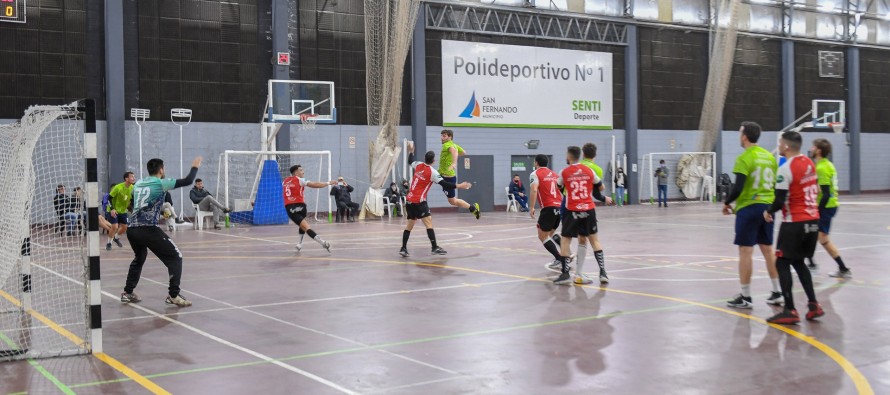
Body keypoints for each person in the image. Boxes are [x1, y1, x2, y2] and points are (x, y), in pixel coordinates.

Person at [121, 157, 202, 307]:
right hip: (148, 229)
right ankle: (173, 295)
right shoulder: (160, 183)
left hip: (132, 228)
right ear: (161, 170)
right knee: (176, 257)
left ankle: (127, 292)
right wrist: (195, 167)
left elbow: (131, 205)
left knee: (139, 257)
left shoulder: (138, 183)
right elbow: (188, 181)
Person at [763, 131, 825, 324]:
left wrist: (769, 211)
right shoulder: (809, 163)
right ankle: (813, 305)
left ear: (787, 146)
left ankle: (790, 309)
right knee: (798, 262)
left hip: (795, 222)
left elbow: (780, 199)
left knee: (781, 262)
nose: (779, 146)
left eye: (780, 143)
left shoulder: (786, 168)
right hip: (813, 221)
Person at [723, 121, 783, 308]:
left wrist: (726, 202)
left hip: (749, 208)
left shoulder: (744, 158)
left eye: (740, 133)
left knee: (745, 251)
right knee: (767, 251)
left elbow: (738, 187)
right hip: (767, 208)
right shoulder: (769, 157)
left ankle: (746, 297)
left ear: (745, 136)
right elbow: (775, 184)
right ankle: (777, 291)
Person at [400, 142, 472, 257]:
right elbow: (446, 184)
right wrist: (460, 186)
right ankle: (434, 247)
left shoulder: (418, 165)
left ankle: (403, 248)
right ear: (434, 161)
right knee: (428, 223)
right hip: (419, 201)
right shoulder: (433, 172)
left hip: (409, 200)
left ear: (424, 158)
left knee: (410, 224)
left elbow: (410, 161)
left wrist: (411, 151)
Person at [554, 146, 612, 285]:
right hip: (588, 209)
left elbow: (559, 186)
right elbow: (601, 187)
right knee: (593, 240)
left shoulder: (565, 172)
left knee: (565, 240)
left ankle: (565, 274)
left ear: (569, 156)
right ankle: (603, 273)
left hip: (572, 208)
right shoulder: (589, 170)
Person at [808, 138, 851, 278]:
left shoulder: (822, 168)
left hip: (826, 207)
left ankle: (842, 268)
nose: (811, 149)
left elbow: (825, 194)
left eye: (813, 147)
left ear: (818, 150)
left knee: (821, 238)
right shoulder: (826, 164)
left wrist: (817, 211)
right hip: (829, 206)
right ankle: (812, 263)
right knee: (813, 235)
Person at [528, 154, 573, 271]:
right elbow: (562, 189)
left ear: (536, 163)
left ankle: (560, 259)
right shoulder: (555, 174)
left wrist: (532, 207)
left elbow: (534, 189)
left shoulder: (535, 174)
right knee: (551, 234)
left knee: (542, 236)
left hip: (548, 207)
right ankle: (568, 252)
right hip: (560, 207)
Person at [284, 165, 337, 252]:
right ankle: (300, 243)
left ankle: (322, 242)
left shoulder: (285, 181)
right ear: (296, 173)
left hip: (291, 208)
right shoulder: (300, 180)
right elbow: (315, 184)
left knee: (305, 226)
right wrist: (328, 183)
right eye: (301, 170)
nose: (303, 172)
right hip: (302, 207)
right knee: (303, 224)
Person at [438, 129, 481, 219]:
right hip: (443, 174)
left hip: (447, 177)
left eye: (444, 136)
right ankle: (473, 208)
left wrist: (454, 162)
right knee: (452, 201)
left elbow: (453, 151)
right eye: (441, 135)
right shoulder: (455, 145)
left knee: (453, 201)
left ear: (450, 137)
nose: (442, 138)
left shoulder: (448, 145)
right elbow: (463, 152)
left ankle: (473, 208)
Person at [107, 172, 136, 250]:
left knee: (124, 227)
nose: (133, 178)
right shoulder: (118, 187)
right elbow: (109, 198)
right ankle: (109, 243)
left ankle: (116, 238)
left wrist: (132, 208)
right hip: (113, 210)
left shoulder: (132, 188)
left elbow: (132, 200)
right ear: (126, 178)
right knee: (115, 226)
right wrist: (112, 209)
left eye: (134, 177)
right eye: (132, 177)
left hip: (123, 210)